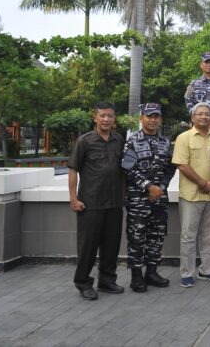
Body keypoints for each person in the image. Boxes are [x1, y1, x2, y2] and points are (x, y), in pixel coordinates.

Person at [68, 102, 126, 300]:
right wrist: (73, 198)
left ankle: (107, 280)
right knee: (88, 246)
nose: (106, 119)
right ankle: (83, 282)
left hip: (114, 202)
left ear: (114, 119)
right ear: (95, 118)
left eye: (110, 116)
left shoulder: (119, 140)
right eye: (102, 116)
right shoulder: (84, 141)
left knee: (112, 245)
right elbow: (73, 170)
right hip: (90, 203)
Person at [121, 103, 176, 293]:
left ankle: (151, 272)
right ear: (141, 118)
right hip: (138, 199)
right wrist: (148, 187)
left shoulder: (165, 142)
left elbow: (171, 168)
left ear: (160, 119)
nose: (153, 120)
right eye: (149, 116)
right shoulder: (132, 141)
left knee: (157, 235)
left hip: (159, 198)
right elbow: (128, 168)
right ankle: (136, 275)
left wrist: (160, 188)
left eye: (156, 117)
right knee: (137, 237)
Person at [172, 102, 210, 288]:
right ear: (192, 118)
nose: (204, 117)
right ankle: (187, 272)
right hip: (191, 195)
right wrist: (202, 183)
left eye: (207, 114)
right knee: (188, 235)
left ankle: (207, 269)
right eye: (200, 114)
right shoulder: (183, 138)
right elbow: (182, 165)